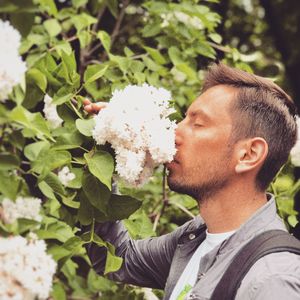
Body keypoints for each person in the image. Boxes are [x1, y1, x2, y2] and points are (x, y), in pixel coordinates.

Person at [83, 63, 300, 299]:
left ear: (248, 155)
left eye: (197, 124)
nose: (175, 132)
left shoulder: (273, 280)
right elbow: (117, 258)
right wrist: (107, 151)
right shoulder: (195, 237)